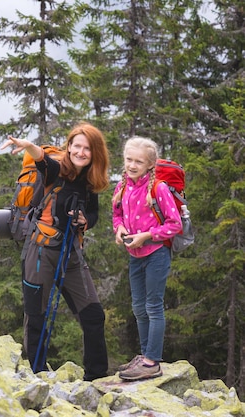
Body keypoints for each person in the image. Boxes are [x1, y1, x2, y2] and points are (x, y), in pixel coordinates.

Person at [1, 122, 110, 381]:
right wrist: (29, 147)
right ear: (69, 146)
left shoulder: (90, 179)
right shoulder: (56, 169)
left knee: (93, 315)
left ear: (95, 153)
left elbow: (93, 212)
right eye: (77, 146)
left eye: (87, 148)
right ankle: (35, 377)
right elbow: (43, 161)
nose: (81, 152)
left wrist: (86, 221)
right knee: (35, 315)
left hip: (71, 254)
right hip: (40, 251)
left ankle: (96, 378)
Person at [111, 136, 182, 381]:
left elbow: (175, 225)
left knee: (153, 307)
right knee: (138, 308)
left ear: (150, 165)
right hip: (135, 255)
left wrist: (147, 235)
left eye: (138, 161)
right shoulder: (121, 187)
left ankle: (152, 361)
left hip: (156, 254)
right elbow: (117, 215)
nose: (132, 165)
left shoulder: (158, 188)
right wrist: (119, 229)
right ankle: (144, 356)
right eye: (128, 159)